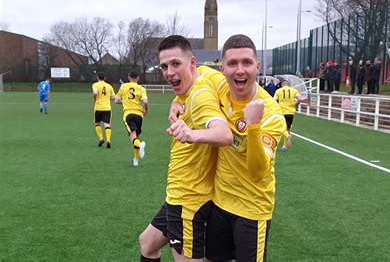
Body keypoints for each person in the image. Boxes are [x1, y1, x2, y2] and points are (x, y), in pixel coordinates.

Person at [139, 35, 233, 262]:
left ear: (192, 64)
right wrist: (176, 100)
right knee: (148, 242)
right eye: (164, 66)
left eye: (175, 64)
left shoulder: (200, 98)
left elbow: (224, 134)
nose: (169, 72)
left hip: (188, 200)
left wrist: (191, 134)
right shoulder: (204, 78)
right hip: (179, 195)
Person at [205, 34, 287, 262]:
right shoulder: (218, 85)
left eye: (247, 63)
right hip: (220, 202)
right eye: (232, 63)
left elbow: (258, 171)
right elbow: (194, 74)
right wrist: (177, 101)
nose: (239, 70)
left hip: (253, 209)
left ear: (257, 67)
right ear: (222, 69)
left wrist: (253, 126)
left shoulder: (271, 113)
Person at [114, 71, 148, 167]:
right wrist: (146, 111)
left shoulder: (123, 87)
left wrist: (124, 101)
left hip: (128, 114)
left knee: (133, 137)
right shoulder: (141, 88)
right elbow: (145, 102)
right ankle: (136, 160)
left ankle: (140, 146)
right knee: (135, 136)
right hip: (139, 115)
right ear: (138, 78)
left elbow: (116, 100)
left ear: (129, 77)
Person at [274, 79, 303, 151]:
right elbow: (300, 99)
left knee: (282, 128)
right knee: (287, 128)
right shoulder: (294, 90)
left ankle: (287, 136)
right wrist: (295, 105)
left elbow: (274, 100)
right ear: (289, 85)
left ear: (282, 85)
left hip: (281, 111)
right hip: (290, 112)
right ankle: (284, 146)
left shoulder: (278, 91)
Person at [92, 72, 115, 148]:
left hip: (98, 107)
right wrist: (107, 98)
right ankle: (108, 140)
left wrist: (94, 99)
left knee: (97, 123)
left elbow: (95, 93)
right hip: (107, 108)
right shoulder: (109, 86)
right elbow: (113, 97)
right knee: (107, 124)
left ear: (97, 78)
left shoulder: (95, 84)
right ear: (105, 78)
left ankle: (101, 138)